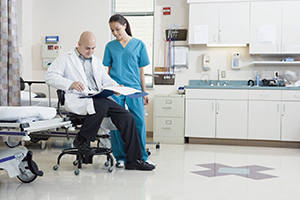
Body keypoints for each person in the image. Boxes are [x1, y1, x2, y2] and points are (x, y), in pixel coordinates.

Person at [45, 31, 155, 171]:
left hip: (97, 97)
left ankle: (134, 159)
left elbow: (105, 79)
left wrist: (116, 86)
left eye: (93, 48)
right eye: (87, 48)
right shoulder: (65, 59)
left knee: (127, 117)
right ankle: (82, 139)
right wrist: (70, 84)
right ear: (79, 44)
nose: (90, 51)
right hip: (79, 99)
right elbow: (49, 76)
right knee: (101, 103)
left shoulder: (96, 61)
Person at [103, 14, 154, 168]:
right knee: (117, 124)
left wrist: (144, 92)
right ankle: (120, 157)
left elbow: (141, 72)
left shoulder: (139, 44)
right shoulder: (110, 47)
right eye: (112, 30)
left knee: (139, 122)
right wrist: (108, 89)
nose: (115, 33)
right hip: (116, 90)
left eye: (117, 29)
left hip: (134, 89)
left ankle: (141, 157)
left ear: (125, 25)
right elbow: (108, 71)